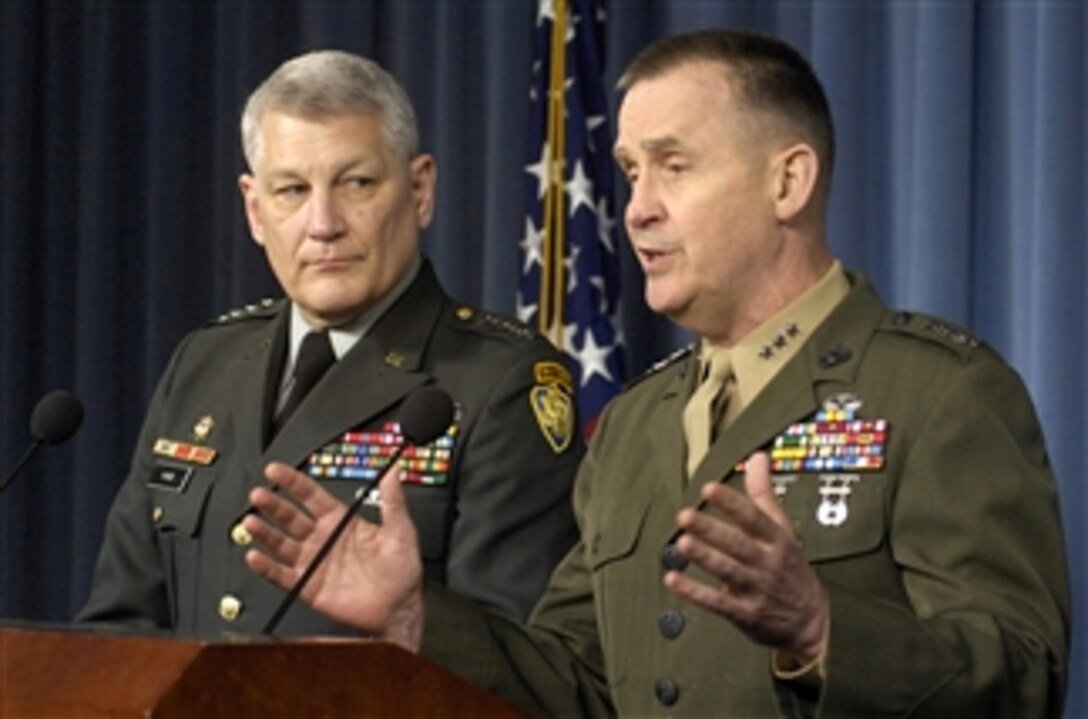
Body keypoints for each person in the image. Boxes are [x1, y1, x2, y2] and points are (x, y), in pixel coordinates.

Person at [239, 29, 1071, 717]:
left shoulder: (939, 393)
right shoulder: (635, 423)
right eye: (632, 171)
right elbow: (572, 682)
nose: (637, 206)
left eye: (675, 166)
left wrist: (821, 630)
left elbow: (1026, 676)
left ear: (789, 180)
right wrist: (416, 616)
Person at [77, 50, 583, 636]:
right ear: (254, 208)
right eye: (291, 189)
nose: (323, 223)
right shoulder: (203, 363)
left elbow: (516, 667)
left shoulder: (499, 381)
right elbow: (117, 632)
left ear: (420, 190)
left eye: (357, 183)